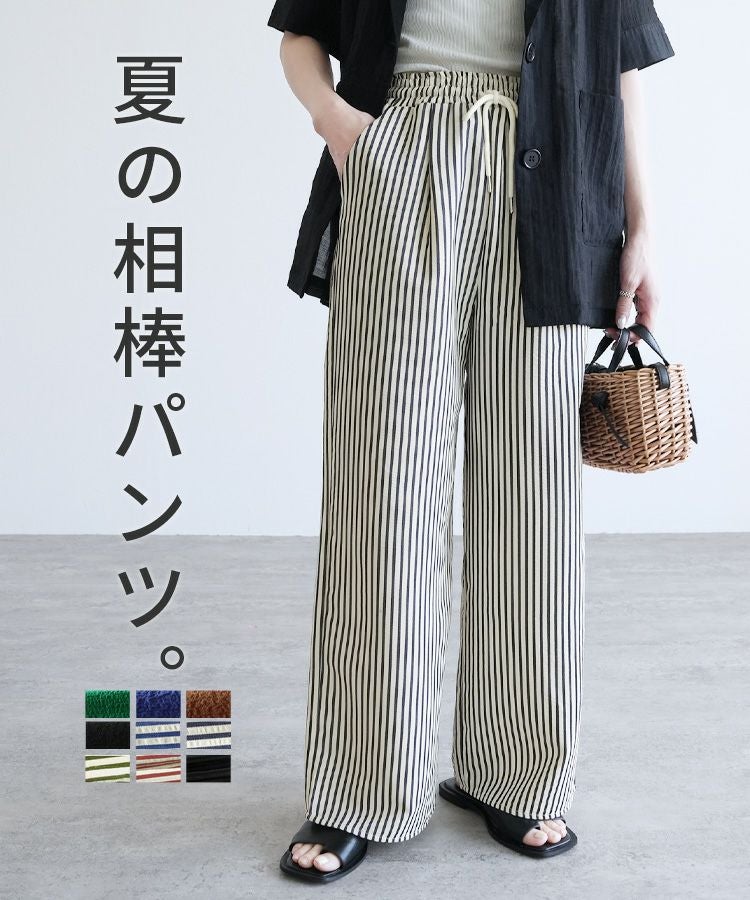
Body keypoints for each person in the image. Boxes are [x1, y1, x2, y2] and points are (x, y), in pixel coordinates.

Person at [267, 0, 675, 883]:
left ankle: (517, 773)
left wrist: (641, 222)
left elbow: (620, 63)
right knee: (385, 486)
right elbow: (300, 31)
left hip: (556, 181)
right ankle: (361, 785)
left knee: (532, 504)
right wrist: (341, 127)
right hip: (401, 160)